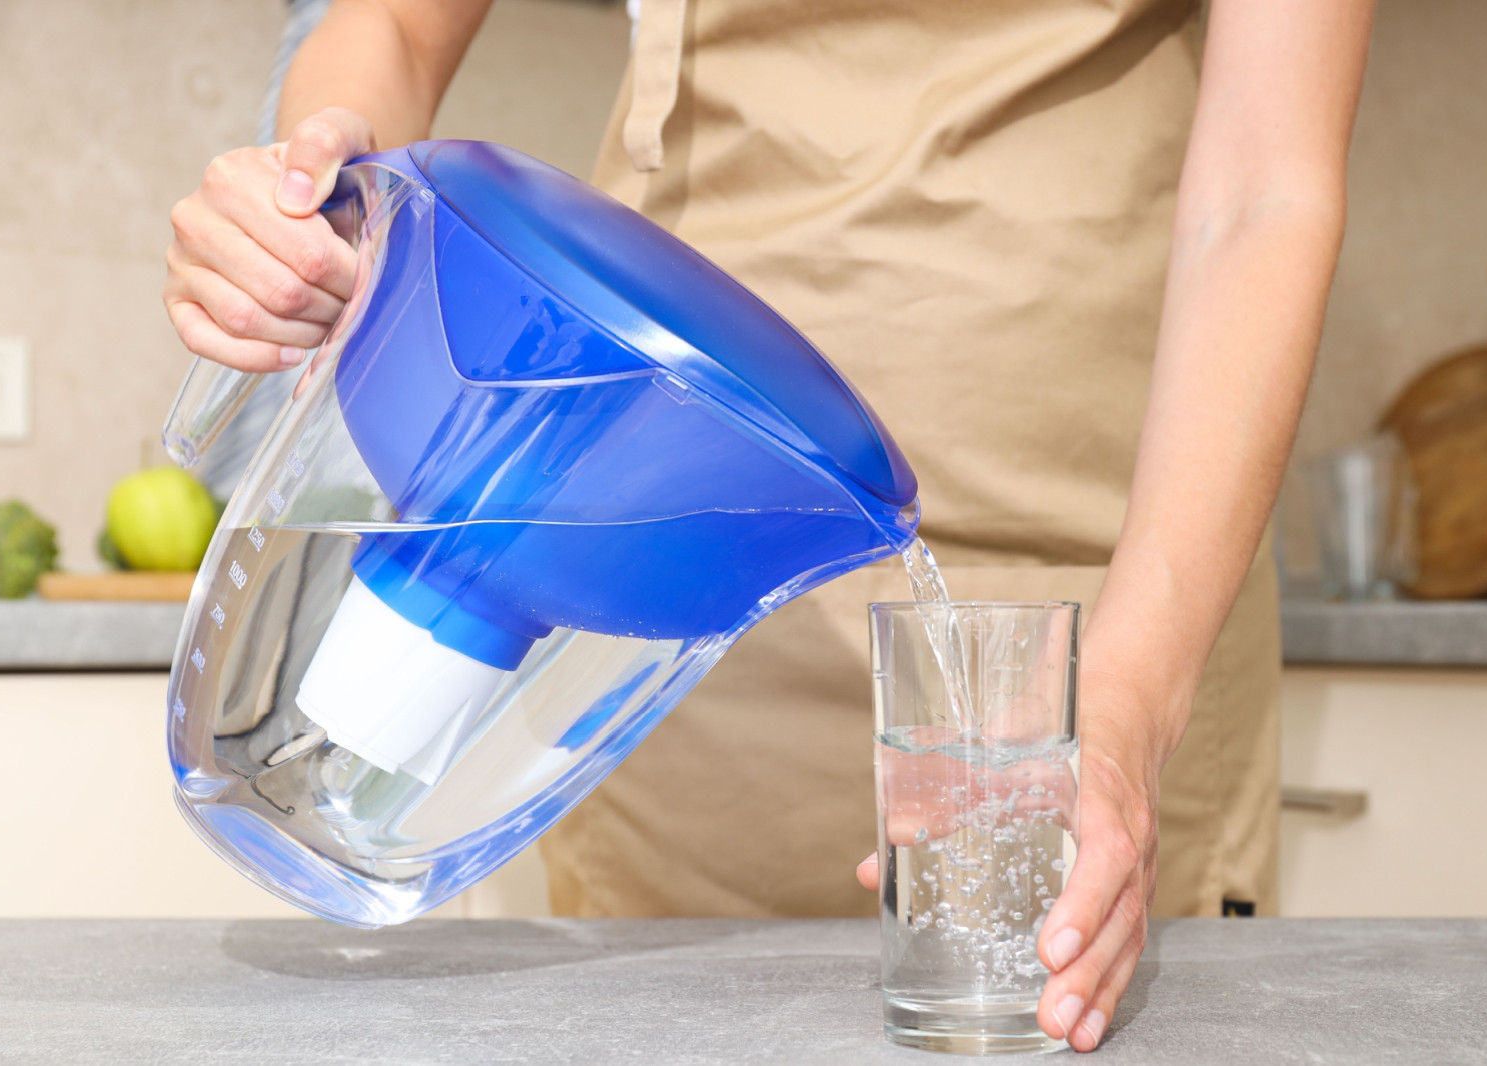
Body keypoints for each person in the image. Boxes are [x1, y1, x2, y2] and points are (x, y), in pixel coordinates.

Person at [162, 0, 1374, 1050]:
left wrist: (1126, 700)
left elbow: (1263, 190)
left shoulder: (1102, 673)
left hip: (1086, 626)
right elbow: (391, 22)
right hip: (636, 589)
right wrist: (311, 191)